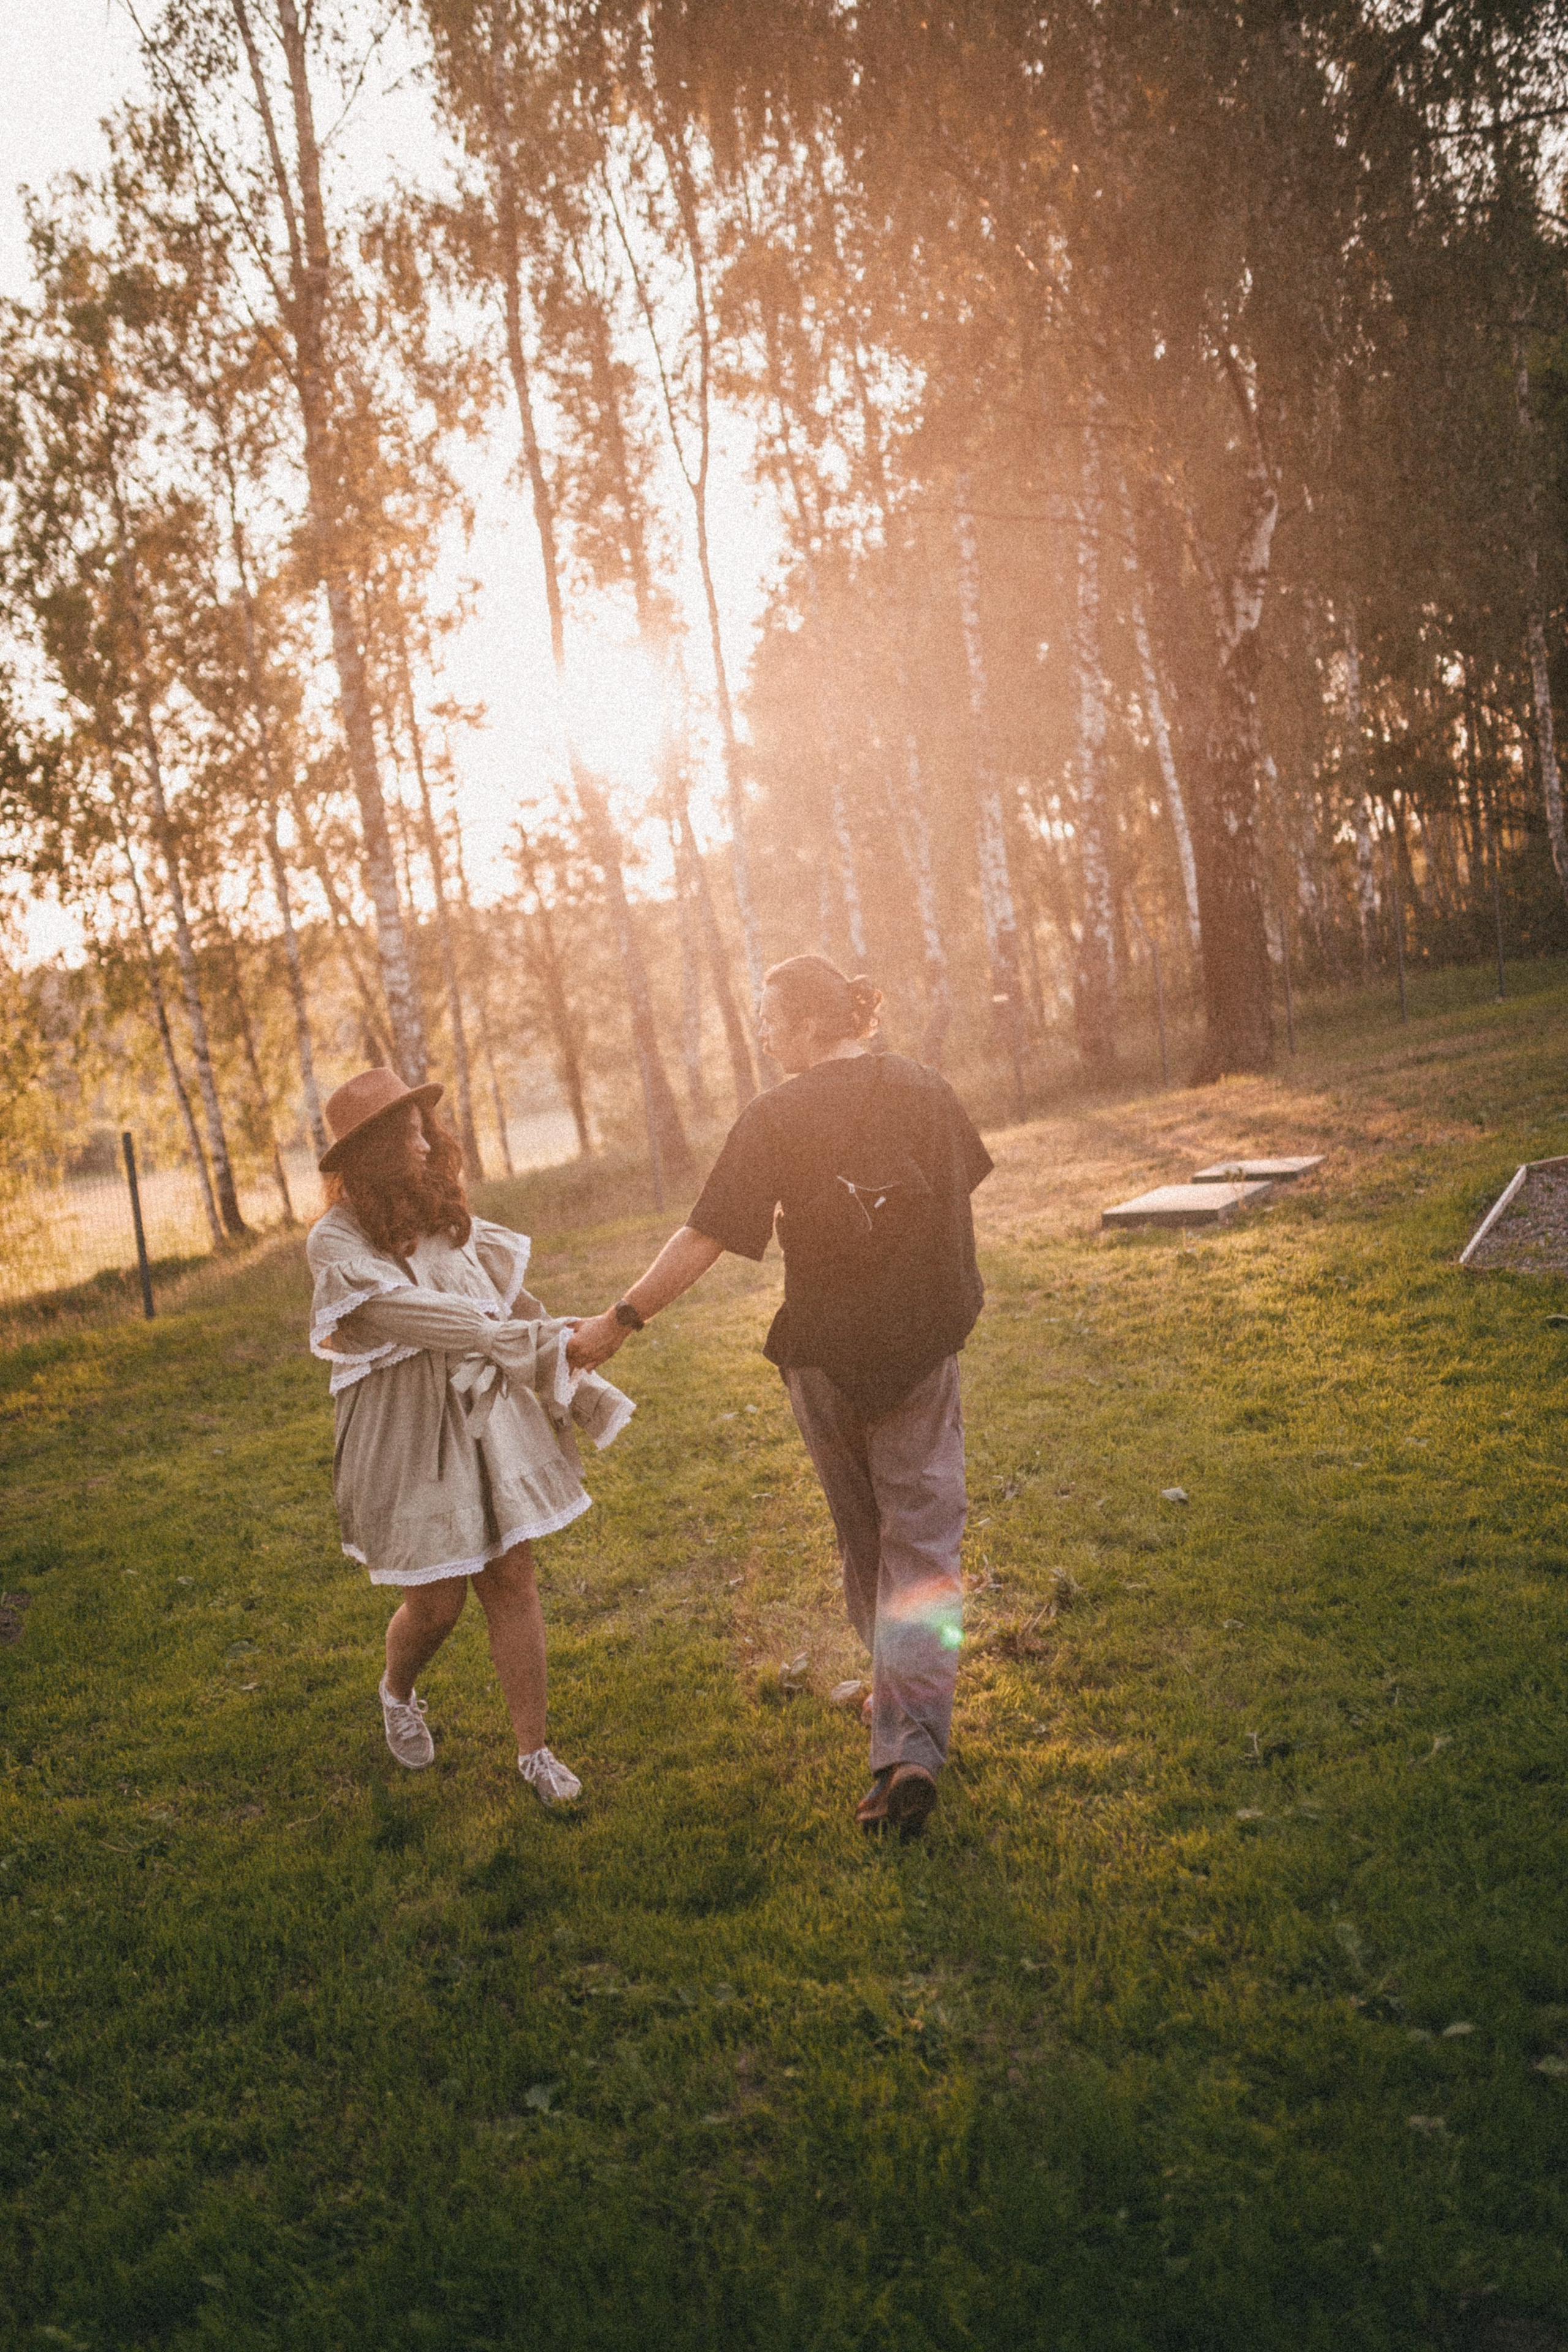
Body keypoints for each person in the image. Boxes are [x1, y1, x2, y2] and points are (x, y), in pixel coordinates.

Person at [567, 955, 993, 1838]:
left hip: (824, 1359)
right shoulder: (925, 1087)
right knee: (919, 1546)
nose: (764, 1036)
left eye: (771, 1019)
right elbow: (961, 1191)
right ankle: (907, 1740)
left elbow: (707, 1234)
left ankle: (902, 1745)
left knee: (868, 1543)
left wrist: (621, 1320)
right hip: (917, 1351)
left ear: (809, 1022)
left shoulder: (775, 1116)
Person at [306, 1067, 634, 1804]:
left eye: (426, 1129)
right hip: (405, 1432)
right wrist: (539, 1342)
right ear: (374, 1152)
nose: (426, 1144)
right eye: (409, 1134)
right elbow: (430, 1320)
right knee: (437, 1605)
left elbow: (504, 1299)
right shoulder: (336, 1241)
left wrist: (567, 1344)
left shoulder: (445, 1216)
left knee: (512, 1578)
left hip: (485, 1416)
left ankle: (535, 1752)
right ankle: (397, 1691)